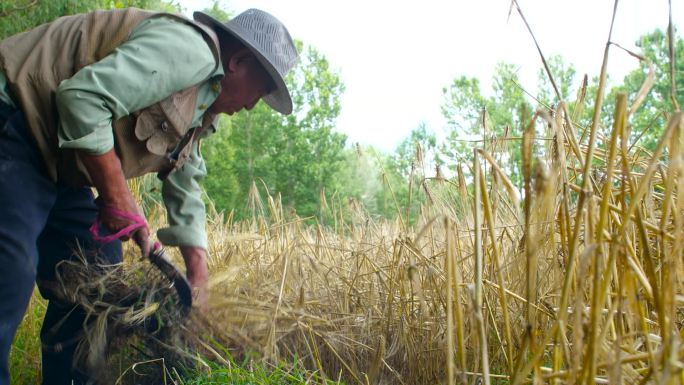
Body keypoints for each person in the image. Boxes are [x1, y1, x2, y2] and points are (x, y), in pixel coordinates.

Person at [0, 6, 298, 385]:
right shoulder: (188, 52)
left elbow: (185, 178)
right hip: (15, 117)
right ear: (238, 60)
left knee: (98, 278)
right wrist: (116, 194)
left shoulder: (203, 103)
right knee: (9, 268)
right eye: (261, 90)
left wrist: (197, 273)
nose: (253, 106)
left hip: (59, 159)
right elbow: (81, 98)